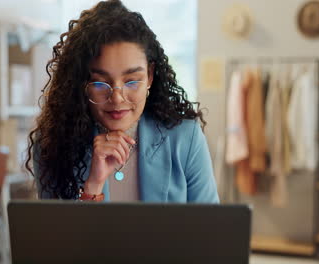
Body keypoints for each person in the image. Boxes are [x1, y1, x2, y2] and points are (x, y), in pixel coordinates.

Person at [26, 0, 219, 203]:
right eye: (100, 83)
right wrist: (94, 183)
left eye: (132, 81)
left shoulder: (185, 140)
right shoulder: (53, 143)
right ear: (82, 82)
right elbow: (56, 235)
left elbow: (211, 231)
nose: (117, 98)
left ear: (150, 76)